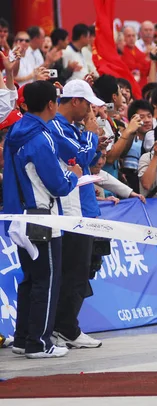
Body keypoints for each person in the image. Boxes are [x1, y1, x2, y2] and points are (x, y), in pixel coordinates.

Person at [3, 81, 82, 358]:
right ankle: (40, 342)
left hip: (18, 216)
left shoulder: (15, 132)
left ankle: (24, 338)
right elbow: (58, 184)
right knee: (47, 280)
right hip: (42, 217)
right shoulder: (41, 137)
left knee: (31, 279)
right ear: (51, 104)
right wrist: (74, 174)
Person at [48, 79, 106, 349]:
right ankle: (65, 328)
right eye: (88, 105)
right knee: (73, 271)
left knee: (83, 271)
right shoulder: (56, 126)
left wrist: (93, 139)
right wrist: (92, 136)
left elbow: (89, 161)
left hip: (85, 207)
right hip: (70, 210)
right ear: (76, 101)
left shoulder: (73, 127)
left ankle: (66, 326)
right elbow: (79, 156)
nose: (90, 112)